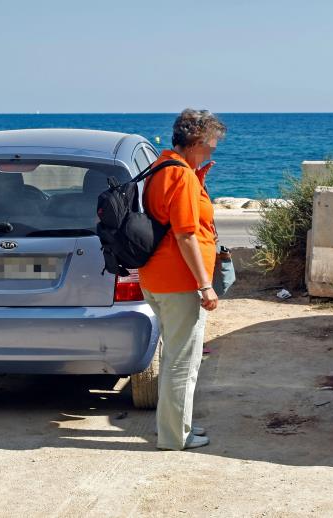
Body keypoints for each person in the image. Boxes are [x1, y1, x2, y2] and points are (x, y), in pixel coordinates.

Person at [138, 108, 227, 450]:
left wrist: (197, 177)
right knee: (182, 362)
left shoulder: (164, 166)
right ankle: (175, 437)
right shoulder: (182, 176)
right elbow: (186, 234)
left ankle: (177, 426)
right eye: (211, 145)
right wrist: (205, 284)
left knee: (176, 356)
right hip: (179, 282)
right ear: (196, 141)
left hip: (157, 278)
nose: (213, 151)